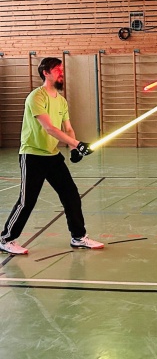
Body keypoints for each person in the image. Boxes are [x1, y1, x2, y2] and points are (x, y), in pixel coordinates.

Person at [0, 57, 104, 255]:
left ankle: (78, 237)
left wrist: (74, 149)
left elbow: (68, 128)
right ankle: (6, 239)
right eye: (57, 69)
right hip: (32, 155)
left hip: (52, 155)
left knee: (71, 195)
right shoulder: (36, 97)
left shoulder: (62, 101)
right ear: (45, 72)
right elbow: (49, 128)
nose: (61, 73)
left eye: (61, 69)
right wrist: (77, 144)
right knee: (27, 200)